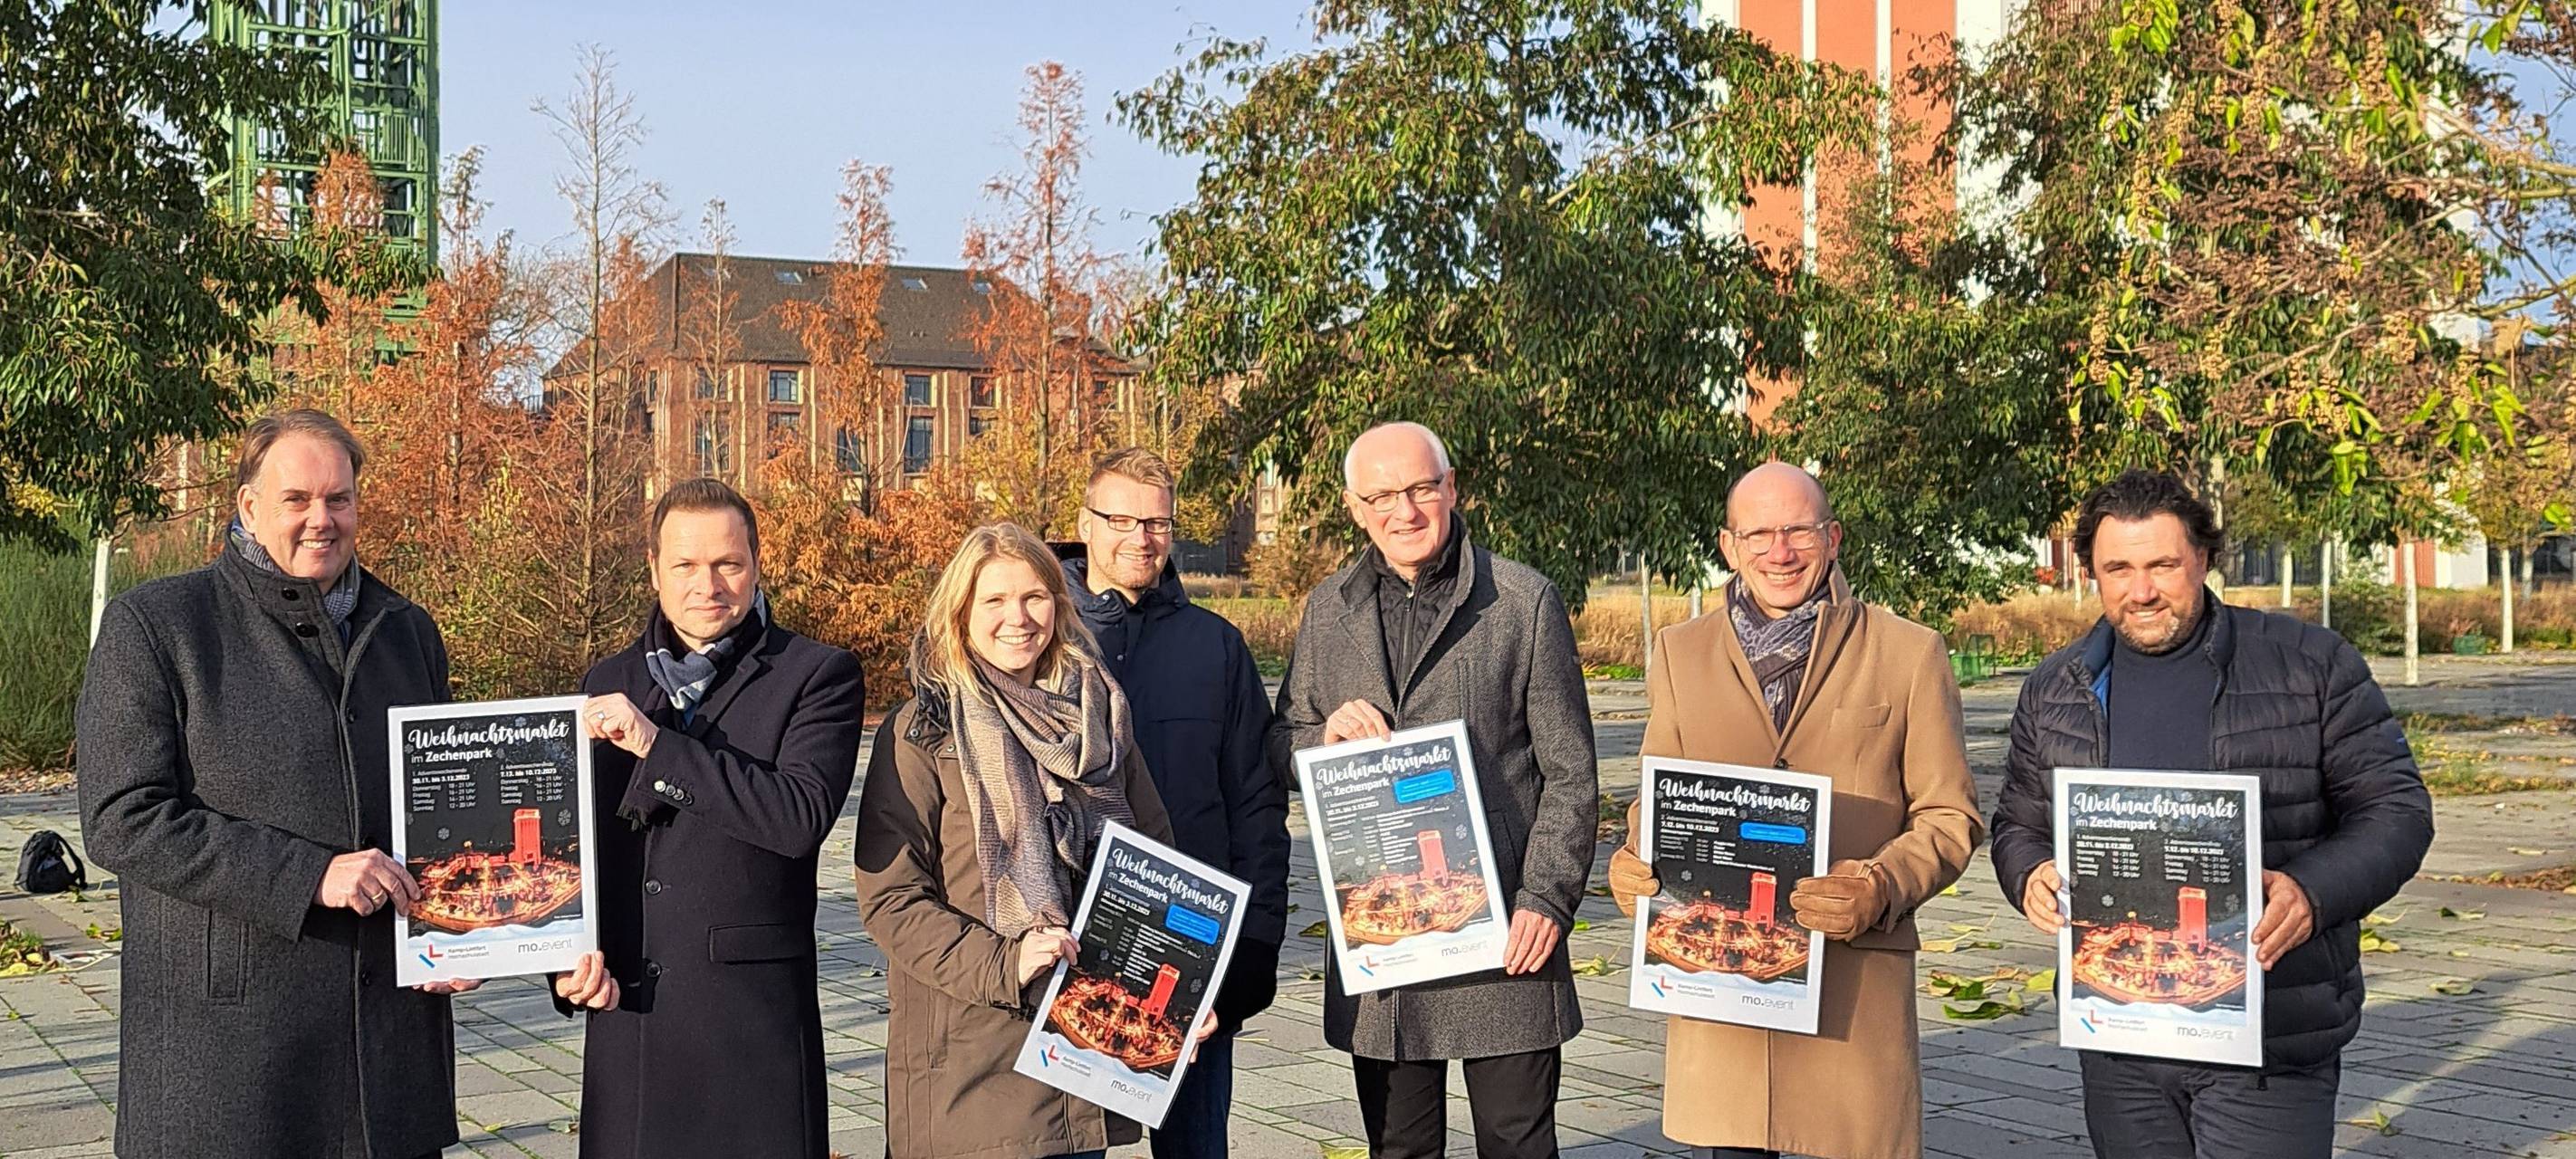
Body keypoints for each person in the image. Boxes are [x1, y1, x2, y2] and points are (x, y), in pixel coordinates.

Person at [1989, 469, 2435, 1159]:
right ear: (2091, 573)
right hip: (2119, 1033)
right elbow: (2017, 824)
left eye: (2162, 566)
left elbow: (2396, 811)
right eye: (2118, 570)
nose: (2141, 590)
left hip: (2269, 1034)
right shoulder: (2056, 687)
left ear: (2202, 558)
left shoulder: (2309, 665)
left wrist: (2311, 892)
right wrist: (2029, 875)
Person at [77, 409, 472, 1158]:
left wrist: (459, 934)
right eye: (297, 499)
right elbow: (122, 817)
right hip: (230, 1055)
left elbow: (443, 801)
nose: (322, 520)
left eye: (339, 499)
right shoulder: (159, 626)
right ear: (249, 506)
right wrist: (309, 874)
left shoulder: (406, 630)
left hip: (385, 1058)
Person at [1605, 462, 1985, 1159]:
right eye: (1758, 535)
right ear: (1729, 547)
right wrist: (1636, 855)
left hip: (1852, 983)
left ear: (1832, 538)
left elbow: (1949, 815)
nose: (1778, 552)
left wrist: (1880, 885)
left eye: (1798, 532)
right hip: (1721, 979)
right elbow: (1658, 795)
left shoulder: (1907, 651)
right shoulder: (1680, 653)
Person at [1268, 422, 1598, 1159]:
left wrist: (1546, 899)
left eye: (1420, 488)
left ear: (1450, 489)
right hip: (1385, 937)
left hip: (1502, 933)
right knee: (1399, 1149)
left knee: (1516, 1145)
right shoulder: (1327, 609)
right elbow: (1281, 740)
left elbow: (1571, 773)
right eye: (1381, 496)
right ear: (1354, 508)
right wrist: (1321, 740)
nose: (1404, 511)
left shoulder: (1521, 602)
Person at [855, 522, 1202, 1159]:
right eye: (994, 600)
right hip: (974, 1059)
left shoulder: (1099, 720)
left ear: (1058, 605)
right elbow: (891, 900)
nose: (1017, 618)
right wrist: (1004, 965)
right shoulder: (921, 732)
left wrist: (1180, 992)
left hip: (1083, 1056)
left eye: (1034, 597)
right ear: (960, 613)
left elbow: (1154, 869)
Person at [558, 476, 867, 1158]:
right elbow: (579, 846)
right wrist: (561, 959)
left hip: (747, 1025)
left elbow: (797, 817)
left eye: (727, 563)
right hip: (630, 1022)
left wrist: (657, 747)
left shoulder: (817, 675)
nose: (708, 586)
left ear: (756, 564)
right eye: (685, 565)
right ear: (654, 569)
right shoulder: (607, 680)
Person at [1057, 448, 1290, 1159]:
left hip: (1188, 948)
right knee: (1067, 1145)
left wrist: (1256, 942)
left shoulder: (1215, 646)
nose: (1141, 538)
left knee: (1194, 1145)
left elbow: (1254, 804)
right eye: (1120, 520)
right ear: (1084, 524)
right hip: (1066, 943)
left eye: (1156, 523)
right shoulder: (1040, 636)